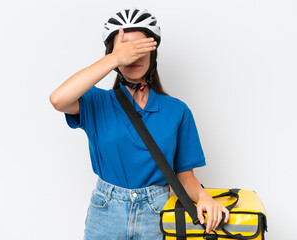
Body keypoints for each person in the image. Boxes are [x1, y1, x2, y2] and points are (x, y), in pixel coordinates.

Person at [49, 7, 229, 239]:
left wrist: (204, 197)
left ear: (153, 53)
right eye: (125, 49)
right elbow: (58, 99)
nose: (132, 57)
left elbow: (185, 176)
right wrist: (114, 58)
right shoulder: (97, 102)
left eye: (139, 48)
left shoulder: (176, 111)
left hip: (156, 214)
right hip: (106, 214)